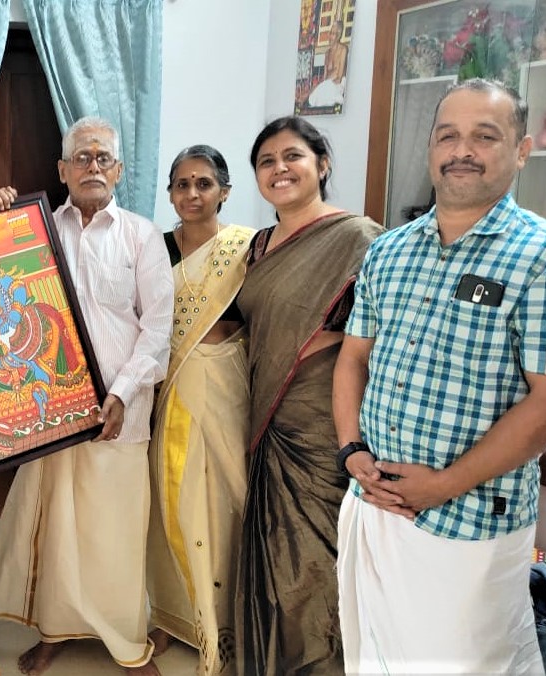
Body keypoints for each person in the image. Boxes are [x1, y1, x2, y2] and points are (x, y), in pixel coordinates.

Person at [333, 78, 546, 672]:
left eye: (485, 136)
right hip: (370, 502)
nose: (462, 151)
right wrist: (351, 449)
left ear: (522, 150)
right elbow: (353, 357)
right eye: (448, 135)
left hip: (468, 523)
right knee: (371, 655)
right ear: (431, 147)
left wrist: (444, 484)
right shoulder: (389, 250)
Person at [0, 116, 174, 676]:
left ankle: (124, 638)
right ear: (62, 170)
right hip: (52, 410)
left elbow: (157, 328)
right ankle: (56, 630)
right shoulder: (31, 228)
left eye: (103, 157)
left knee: (115, 530)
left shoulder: (142, 235)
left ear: (119, 170)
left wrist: (121, 393)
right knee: (59, 529)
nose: (93, 166)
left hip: (121, 411)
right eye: (82, 157)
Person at [234, 116, 382, 675]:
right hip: (264, 413)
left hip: (323, 422)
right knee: (271, 546)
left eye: (292, 156)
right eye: (266, 162)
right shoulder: (256, 245)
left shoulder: (359, 237)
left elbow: (379, 335)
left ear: (322, 164)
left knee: (318, 555)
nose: (280, 169)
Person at [145, 145, 253, 675]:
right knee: (172, 501)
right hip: (171, 388)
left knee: (220, 502)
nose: (192, 193)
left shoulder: (248, 247)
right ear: (170, 193)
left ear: (224, 191)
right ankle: (174, 617)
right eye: (182, 184)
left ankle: (224, 623)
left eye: (204, 183)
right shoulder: (154, 249)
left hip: (225, 387)